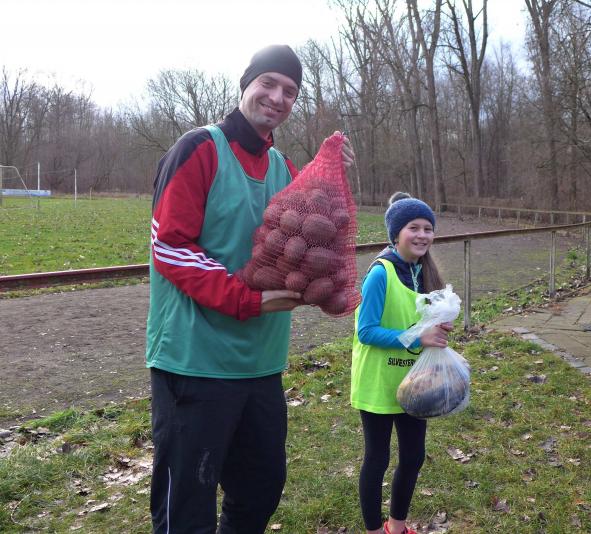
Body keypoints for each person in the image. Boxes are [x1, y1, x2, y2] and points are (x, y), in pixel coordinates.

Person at [146, 45, 354, 533]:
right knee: (186, 508)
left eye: (290, 91)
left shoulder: (284, 167)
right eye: (268, 83)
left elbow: (316, 236)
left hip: (260, 365)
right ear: (246, 84)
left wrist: (334, 174)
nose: (278, 97)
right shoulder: (200, 149)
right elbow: (169, 247)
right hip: (195, 361)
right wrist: (248, 300)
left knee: (260, 489)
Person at [351, 192, 452, 534]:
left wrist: (438, 326)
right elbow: (366, 331)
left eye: (428, 228)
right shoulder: (380, 273)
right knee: (377, 459)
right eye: (414, 228)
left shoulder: (424, 272)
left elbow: (415, 320)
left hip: (414, 381)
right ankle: (374, 530)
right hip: (379, 381)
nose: (422, 235)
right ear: (396, 233)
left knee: (413, 456)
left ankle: (396, 526)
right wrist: (418, 337)